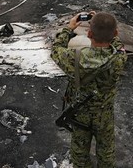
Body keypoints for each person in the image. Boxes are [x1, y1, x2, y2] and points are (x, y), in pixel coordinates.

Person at [51, 11, 127, 168]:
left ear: (89, 33)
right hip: (104, 114)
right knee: (107, 153)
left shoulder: (74, 57)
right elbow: (119, 46)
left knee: (79, 154)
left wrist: (68, 28)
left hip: (80, 114)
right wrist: (109, 30)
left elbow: (56, 48)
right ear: (116, 34)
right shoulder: (119, 58)